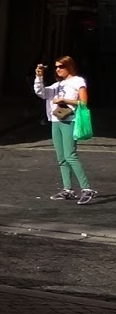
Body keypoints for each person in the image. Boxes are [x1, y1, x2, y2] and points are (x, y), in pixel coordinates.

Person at [33, 56, 96, 205]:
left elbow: (83, 102)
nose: (58, 69)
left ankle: (87, 189)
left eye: (61, 66)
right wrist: (39, 77)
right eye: (56, 67)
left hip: (69, 120)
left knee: (70, 155)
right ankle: (67, 189)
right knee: (61, 157)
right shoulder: (57, 85)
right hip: (56, 120)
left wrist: (64, 100)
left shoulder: (78, 81)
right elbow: (41, 93)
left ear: (69, 66)